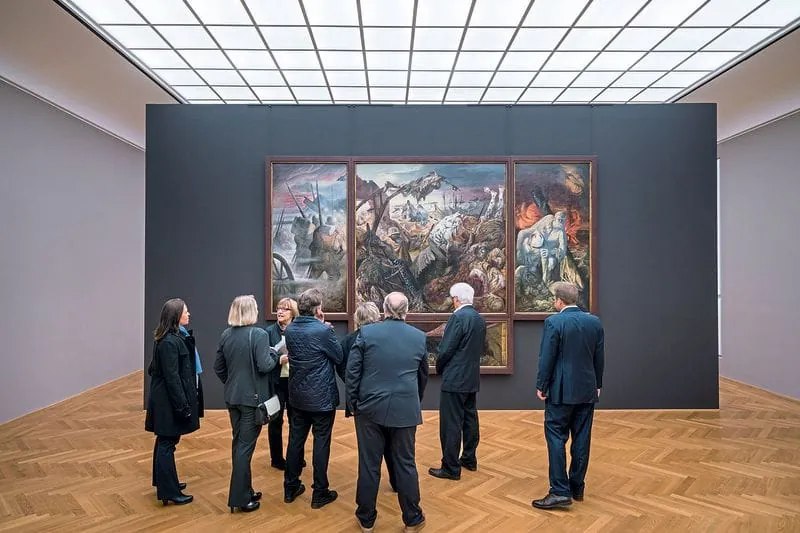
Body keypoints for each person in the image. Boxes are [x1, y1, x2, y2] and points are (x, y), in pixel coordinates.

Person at [346, 292, 428, 532]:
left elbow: (353, 372)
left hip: (369, 409)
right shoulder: (418, 337)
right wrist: (413, 400)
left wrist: (354, 404)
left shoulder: (367, 333)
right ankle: (412, 519)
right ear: (407, 311)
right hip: (405, 409)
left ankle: (366, 519)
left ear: (384, 310)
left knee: (369, 464)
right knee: (406, 463)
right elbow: (422, 376)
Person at [532, 282, 604, 510]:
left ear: (559, 301)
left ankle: (559, 491)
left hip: (561, 391)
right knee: (582, 438)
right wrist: (598, 384)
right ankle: (577, 487)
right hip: (587, 389)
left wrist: (541, 385)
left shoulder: (553, 322)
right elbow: (599, 356)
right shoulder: (594, 322)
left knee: (555, 437)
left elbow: (547, 358)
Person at [214, 295, 278, 513]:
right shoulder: (259, 334)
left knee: (239, 444)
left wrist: (233, 383)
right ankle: (239, 498)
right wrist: (275, 355)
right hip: (252, 400)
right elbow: (265, 365)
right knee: (244, 447)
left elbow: (218, 367)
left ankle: (246, 490)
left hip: (233, 398)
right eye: (256, 308)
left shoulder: (226, 334)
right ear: (251, 311)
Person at [283, 288, 343, 509]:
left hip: (298, 395)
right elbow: (338, 356)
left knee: (295, 441)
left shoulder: (290, 329)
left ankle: (290, 488)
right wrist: (325, 326)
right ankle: (320, 492)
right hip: (321, 397)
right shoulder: (323, 330)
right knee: (321, 443)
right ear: (318, 309)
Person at [145, 298, 200, 506]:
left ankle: (165, 482)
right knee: (167, 442)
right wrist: (182, 406)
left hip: (165, 399)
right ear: (176, 316)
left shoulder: (169, 338)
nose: (189, 314)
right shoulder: (169, 342)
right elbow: (172, 378)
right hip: (167, 402)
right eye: (185, 311)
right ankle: (169, 491)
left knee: (165, 441)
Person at [429, 282, 486, 481]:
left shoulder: (457, 318)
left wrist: (439, 367)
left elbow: (446, 349)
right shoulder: (479, 319)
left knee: (451, 423)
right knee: (470, 419)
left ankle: (450, 467)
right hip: (471, 377)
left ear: (456, 300)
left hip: (454, 378)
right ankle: (469, 458)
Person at [338, 302, 397, 492]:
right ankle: (397, 481)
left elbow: (344, 370)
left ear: (357, 319)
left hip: (362, 400)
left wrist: (354, 392)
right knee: (392, 445)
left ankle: (367, 501)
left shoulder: (348, 341)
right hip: (388, 397)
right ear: (377, 316)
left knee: (368, 452)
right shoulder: (387, 338)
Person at [264, 297, 299, 470]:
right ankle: (276, 459)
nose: (280, 311)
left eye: (285, 309)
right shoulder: (269, 332)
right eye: (278, 308)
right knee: (275, 421)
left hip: (295, 382)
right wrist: (279, 359)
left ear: (293, 312)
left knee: (296, 421)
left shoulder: (299, 329)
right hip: (276, 382)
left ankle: (295, 457)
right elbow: (264, 356)